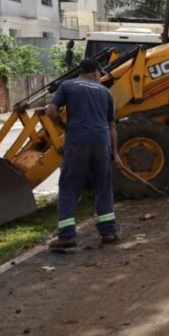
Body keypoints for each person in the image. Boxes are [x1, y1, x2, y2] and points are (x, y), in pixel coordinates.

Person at [45, 59, 123, 250]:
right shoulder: (105, 92)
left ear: (81, 71)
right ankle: (108, 232)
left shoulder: (68, 85)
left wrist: (64, 127)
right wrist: (116, 153)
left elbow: (51, 111)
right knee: (103, 186)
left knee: (70, 186)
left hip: (78, 141)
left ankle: (67, 236)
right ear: (96, 72)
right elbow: (112, 126)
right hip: (102, 142)